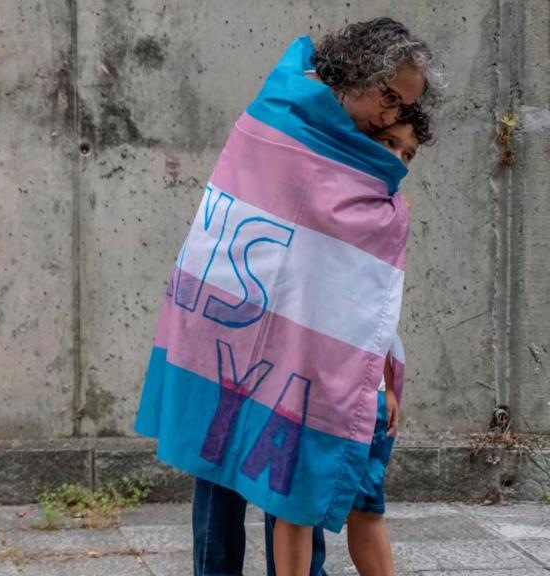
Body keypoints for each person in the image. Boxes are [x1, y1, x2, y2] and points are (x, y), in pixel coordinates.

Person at [184, 17, 442, 576]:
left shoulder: (373, 173)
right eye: (391, 97)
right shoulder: (283, 119)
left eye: (405, 107)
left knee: (297, 475)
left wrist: (383, 370)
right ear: (360, 72)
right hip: (239, 323)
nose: (394, 115)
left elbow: (366, 288)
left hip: (313, 350)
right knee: (221, 463)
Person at [265, 103, 434, 576]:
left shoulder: (394, 214)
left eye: (408, 155)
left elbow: (378, 305)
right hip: (306, 386)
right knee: (296, 507)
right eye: (388, 144)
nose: (398, 160)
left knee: (368, 507)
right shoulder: (318, 197)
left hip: (366, 393)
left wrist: (386, 380)